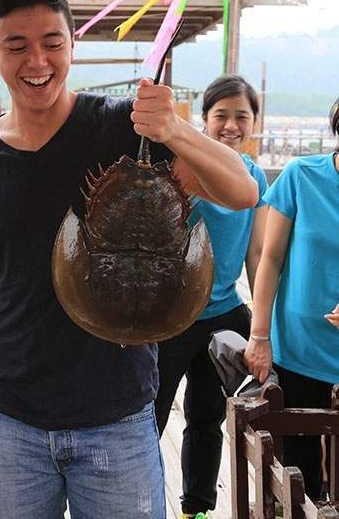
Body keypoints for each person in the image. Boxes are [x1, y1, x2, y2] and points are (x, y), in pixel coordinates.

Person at [0, 0, 258, 519]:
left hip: (118, 415)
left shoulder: (128, 128)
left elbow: (242, 192)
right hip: (8, 418)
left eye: (52, 42)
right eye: (17, 46)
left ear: (74, 43)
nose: (38, 61)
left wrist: (175, 129)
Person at [155, 74, 268, 519]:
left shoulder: (255, 177)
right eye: (221, 116)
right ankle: (141, 500)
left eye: (242, 116)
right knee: (149, 414)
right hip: (171, 317)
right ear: (204, 119)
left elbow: (257, 253)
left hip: (225, 316)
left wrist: (262, 324)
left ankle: (197, 509)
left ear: (255, 121)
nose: (231, 126)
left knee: (207, 419)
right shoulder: (184, 168)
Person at [244, 97, 339, 503]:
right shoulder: (302, 175)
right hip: (299, 348)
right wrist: (259, 336)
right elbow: (270, 259)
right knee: (299, 471)